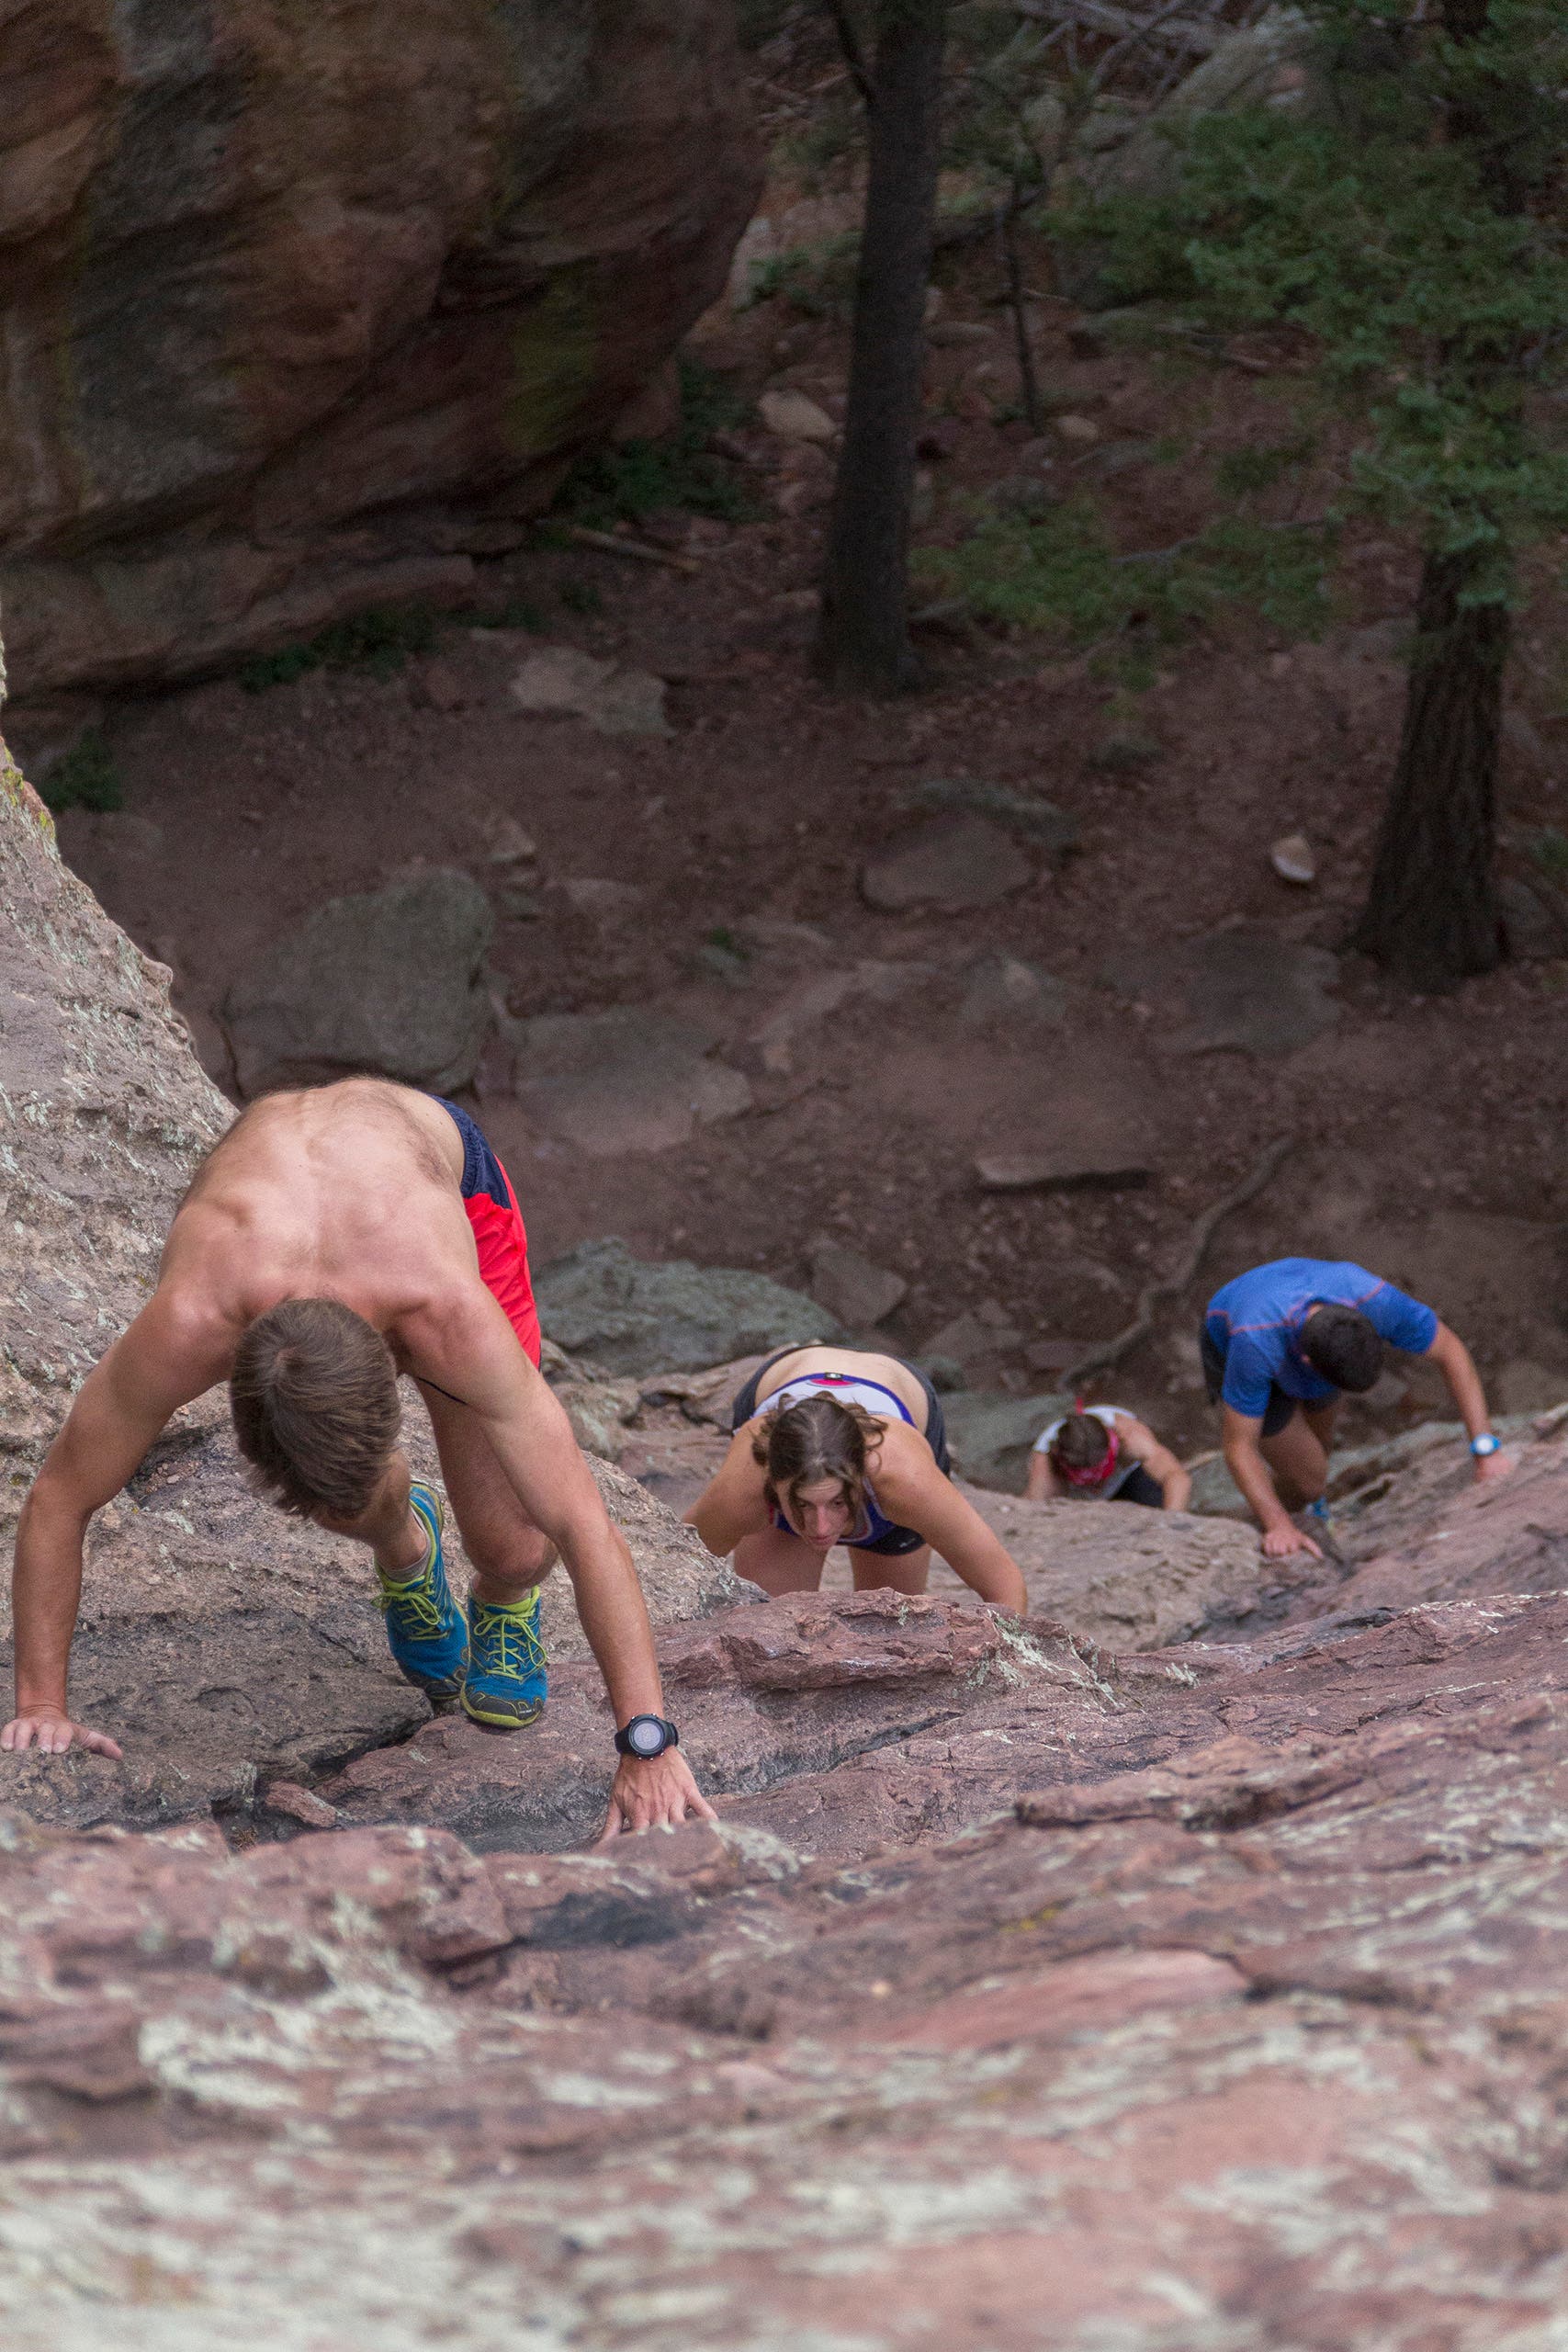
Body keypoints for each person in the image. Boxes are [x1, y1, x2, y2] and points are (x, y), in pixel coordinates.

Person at [2, 1080, 714, 1841]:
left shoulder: (448, 1315)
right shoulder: (192, 1319)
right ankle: (406, 1551)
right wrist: (42, 1704)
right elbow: (61, 1496)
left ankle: (504, 1601)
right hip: (280, 1193)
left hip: (443, 1179)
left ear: (402, 1365)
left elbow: (584, 1526)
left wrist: (647, 1741)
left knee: (515, 1546)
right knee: (334, 1491)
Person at [1203, 1256, 1510, 1559]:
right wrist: (1278, 1525)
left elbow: (1450, 1351)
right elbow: (1239, 1447)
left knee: (1320, 1444)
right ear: (1308, 1364)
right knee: (1311, 1479)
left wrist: (1485, 1448)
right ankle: (1284, 1513)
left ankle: (1296, 1502)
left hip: (1297, 1329)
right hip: (1234, 1340)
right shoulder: (1254, 1345)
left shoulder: (1371, 1300)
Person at [684, 1344, 1029, 1612]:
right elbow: (674, 1573)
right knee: (767, 1625)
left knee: (891, 1634)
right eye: (802, 1504)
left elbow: (1004, 1585)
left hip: (896, 1386)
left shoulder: (905, 1480)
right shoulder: (744, 1489)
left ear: (860, 1479)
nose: (820, 1528)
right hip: (787, 1374)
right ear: (773, 1484)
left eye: (837, 1502)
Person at [1026, 1404, 1190, 1510]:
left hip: (1127, 1481)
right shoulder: (1046, 1464)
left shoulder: (1129, 1436)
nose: (1098, 1486)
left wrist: (1170, 1525)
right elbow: (1031, 1513)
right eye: (1086, 1476)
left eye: (1101, 1468)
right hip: (1074, 1497)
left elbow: (1176, 1477)